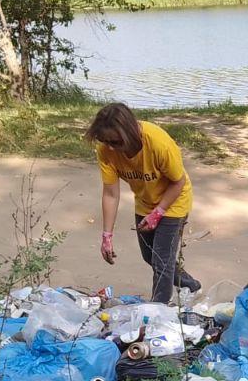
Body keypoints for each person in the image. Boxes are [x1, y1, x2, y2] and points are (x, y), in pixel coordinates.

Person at [84, 102, 201, 303]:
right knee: (150, 256)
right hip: (145, 202)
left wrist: (159, 212)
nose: (111, 147)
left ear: (129, 133)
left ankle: (158, 309)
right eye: (106, 142)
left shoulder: (158, 143)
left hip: (174, 201)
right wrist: (107, 235)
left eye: (116, 142)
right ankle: (190, 285)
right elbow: (111, 193)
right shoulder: (107, 150)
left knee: (161, 261)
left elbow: (178, 181)